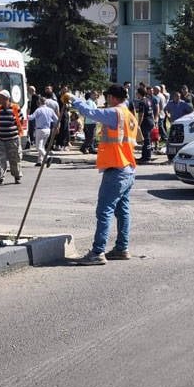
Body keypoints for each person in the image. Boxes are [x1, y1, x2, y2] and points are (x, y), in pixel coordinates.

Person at [72, 84, 139, 265]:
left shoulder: (115, 113)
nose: (106, 100)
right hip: (128, 168)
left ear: (113, 98)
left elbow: (91, 113)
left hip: (116, 169)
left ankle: (97, 252)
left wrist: (73, 99)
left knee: (104, 211)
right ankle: (121, 248)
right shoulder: (130, 116)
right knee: (123, 212)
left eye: (108, 97)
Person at [0, 90, 26, 185]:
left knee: (15, 159)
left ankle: (17, 176)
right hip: (1, 139)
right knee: (0, 159)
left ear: (7, 99)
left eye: (1, 98)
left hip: (13, 139)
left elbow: (21, 120)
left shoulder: (15, 108)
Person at [134, 86, 154, 163]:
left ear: (139, 93)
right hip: (150, 121)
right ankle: (146, 156)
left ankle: (146, 157)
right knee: (147, 139)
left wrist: (138, 124)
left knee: (146, 140)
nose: (136, 94)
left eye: (137, 93)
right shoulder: (149, 100)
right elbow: (152, 111)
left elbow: (141, 115)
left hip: (145, 122)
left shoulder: (142, 102)